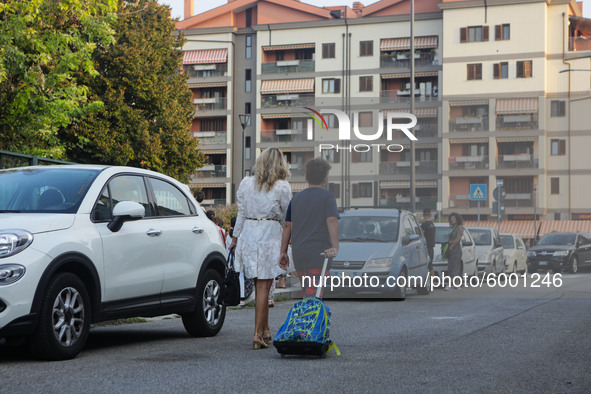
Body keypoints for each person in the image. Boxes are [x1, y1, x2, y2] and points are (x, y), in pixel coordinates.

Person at [229, 148, 292, 350]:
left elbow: (241, 213)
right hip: (269, 233)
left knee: (259, 285)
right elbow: (285, 215)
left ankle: (265, 329)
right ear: (280, 164)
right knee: (264, 287)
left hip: (248, 233)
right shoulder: (282, 187)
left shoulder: (246, 183)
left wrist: (234, 238)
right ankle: (257, 334)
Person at [279, 158, 339, 298]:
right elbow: (332, 220)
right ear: (325, 179)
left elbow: (288, 225)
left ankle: (312, 318)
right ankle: (310, 319)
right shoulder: (327, 197)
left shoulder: (296, 198)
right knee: (314, 295)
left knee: (308, 291)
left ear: (306, 177)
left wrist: (283, 252)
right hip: (320, 253)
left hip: (299, 253)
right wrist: (335, 247)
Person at [446, 212, 465, 290]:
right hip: (451, 248)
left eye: (453, 218)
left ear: (457, 219)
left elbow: (458, 238)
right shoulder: (453, 228)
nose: (452, 220)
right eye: (451, 218)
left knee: (455, 266)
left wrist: (452, 246)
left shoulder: (460, 227)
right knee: (451, 266)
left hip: (455, 248)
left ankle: (452, 284)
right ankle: (455, 284)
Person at [420, 208, 436, 277]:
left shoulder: (424, 225)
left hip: (426, 248)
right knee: (430, 266)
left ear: (423, 215)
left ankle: (428, 282)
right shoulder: (432, 224)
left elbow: (420, 235)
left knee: (426, 266)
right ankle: (432, 282)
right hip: (431, 247)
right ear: (430, 215)